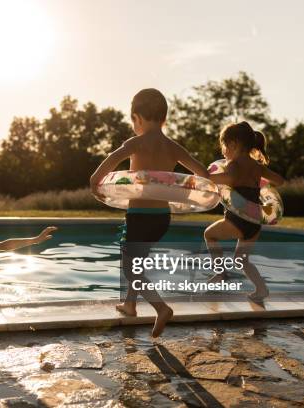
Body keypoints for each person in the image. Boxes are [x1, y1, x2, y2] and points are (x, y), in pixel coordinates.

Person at [89, 88, 210, 337]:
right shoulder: (174, 147)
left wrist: (94, 182)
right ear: (164, 119)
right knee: (139, 260)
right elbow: (202, 174)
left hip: (139, 216)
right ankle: (130, 305)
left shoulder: (136, 143)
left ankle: (161, 308)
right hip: (161, 218)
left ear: (137, 118)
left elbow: (111, 161)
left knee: (131, 268)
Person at [204, 121, 284, 304]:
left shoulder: (232, 163)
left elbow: (230, 178)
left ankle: (220, 274)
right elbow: (279, 181)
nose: (223, 150)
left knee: (209, 235)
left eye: (223, 145)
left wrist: (208, 177)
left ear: (233, 144)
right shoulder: (257, 166)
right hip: (255, 221)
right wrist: (262, 183)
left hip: (237, 219)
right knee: (242, 260)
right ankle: (261, 289)